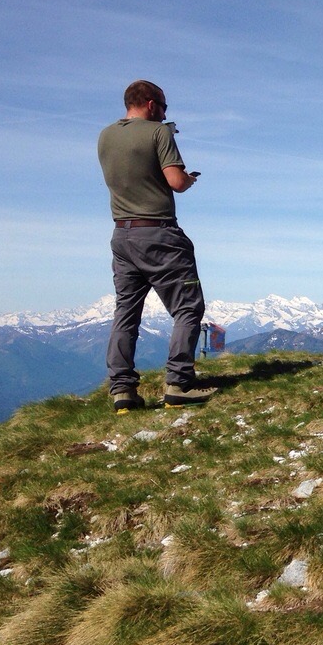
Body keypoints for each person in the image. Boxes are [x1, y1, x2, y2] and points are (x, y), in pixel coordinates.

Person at [97, 80, 217, 410]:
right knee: (188, 307)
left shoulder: (105, 136)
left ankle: (122, 391)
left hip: (122, 235)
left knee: (126, 313)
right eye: (164, 107)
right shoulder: (159, 133)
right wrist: (189, 178)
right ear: (151, 104)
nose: (165, 114)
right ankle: (178, 383)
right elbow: (175, 182)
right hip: (159, 233)